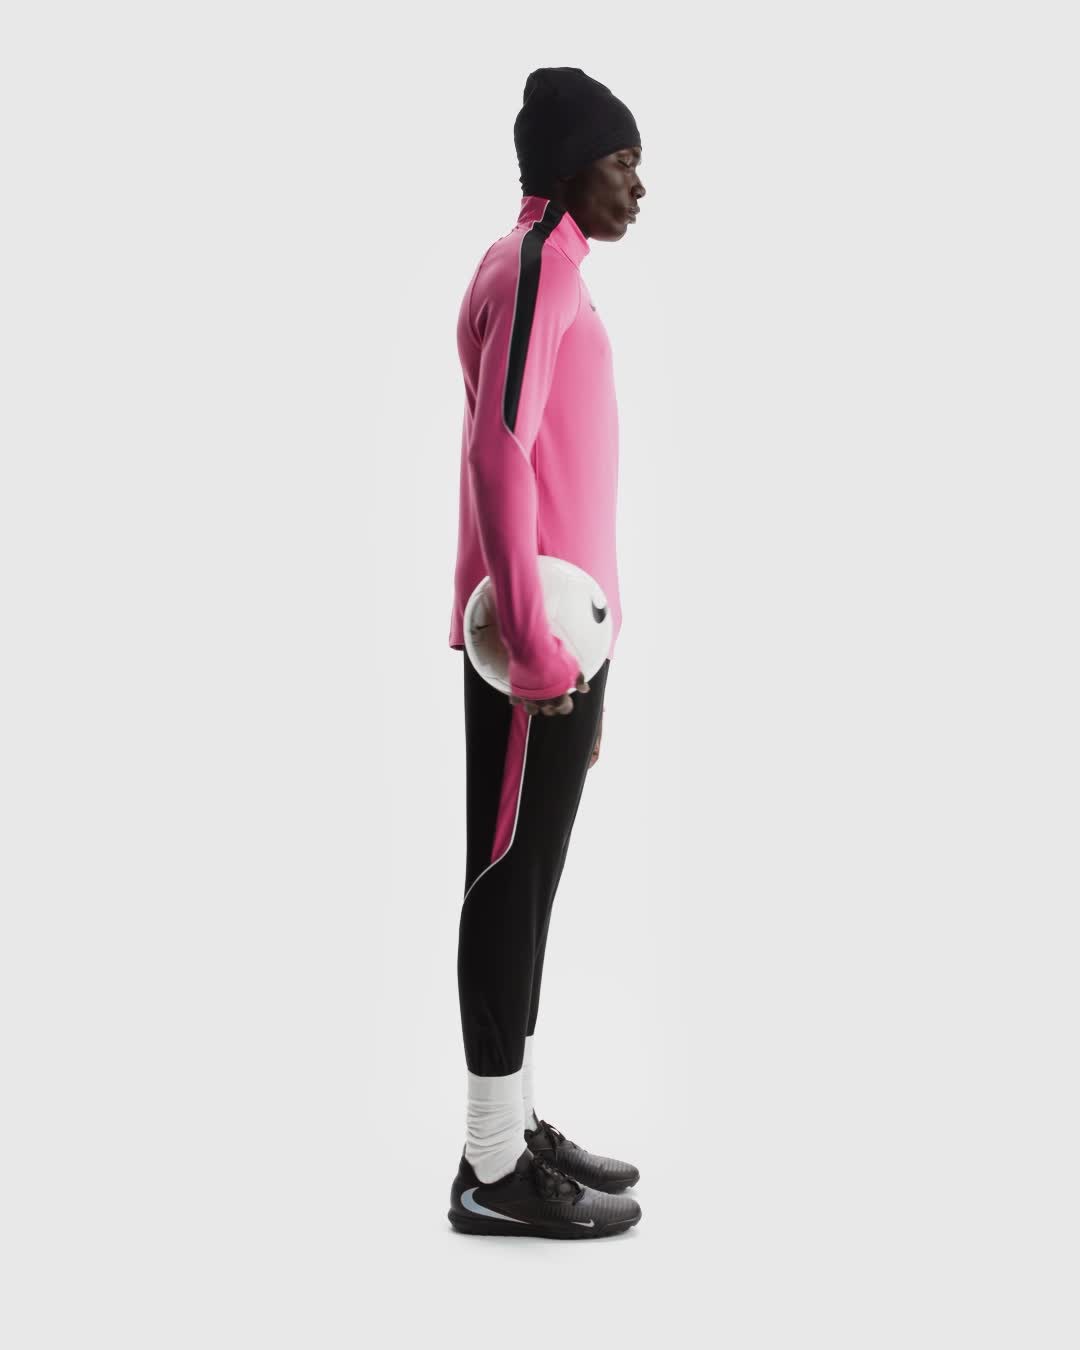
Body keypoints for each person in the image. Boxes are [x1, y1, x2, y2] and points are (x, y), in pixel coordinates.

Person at [446, 68, 646, 1238]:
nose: (639, 186)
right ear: (571, 168)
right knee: (508, 883)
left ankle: (512, 1125)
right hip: (535, 644)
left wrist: (590, 666)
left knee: (533, 882)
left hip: (567, 644)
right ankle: (488, 1166)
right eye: (623, 162)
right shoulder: (533, 269)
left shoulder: (549, 268)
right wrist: (530, 645)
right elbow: (498, 451)